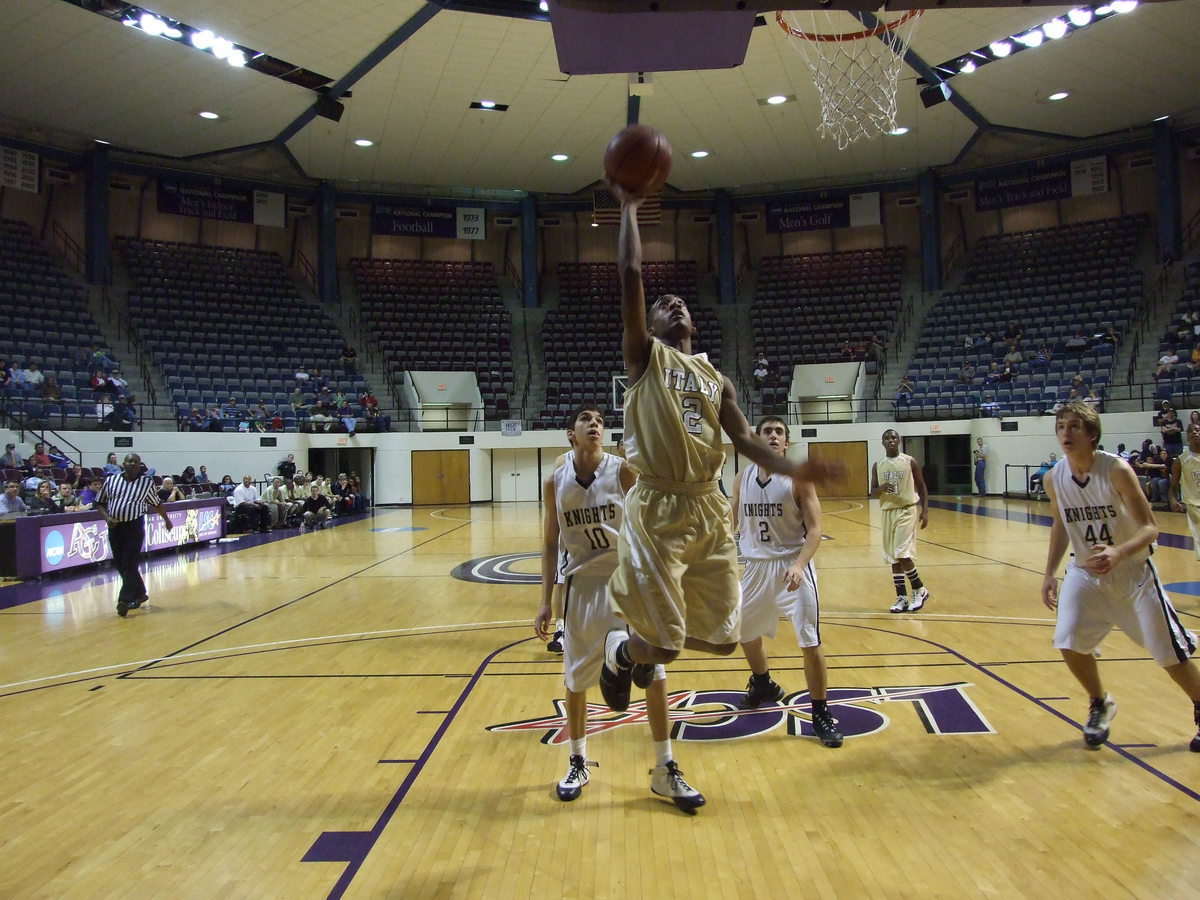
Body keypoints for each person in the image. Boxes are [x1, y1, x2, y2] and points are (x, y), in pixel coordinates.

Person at [596, 188, 842, 722]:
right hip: (658, 505)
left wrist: (797, 467)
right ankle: (622, 652)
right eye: (663, 305)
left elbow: (749, 443)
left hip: (706, 506)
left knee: (725, 642)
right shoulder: (643, 359)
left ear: (695, 325)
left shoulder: (716, 378)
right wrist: (631, 208)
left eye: (680, 302)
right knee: (662, 646)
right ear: (651, 327)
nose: (674, 304)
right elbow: (631, 273)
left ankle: (634, 648)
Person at [534, 406, 703, 811]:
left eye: (599, 421)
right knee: (576, 679)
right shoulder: (555, 481)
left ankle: (665, 767)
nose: (595, 425)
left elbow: (649, 523)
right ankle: (577, 761)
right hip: (581, 587)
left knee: (655, 674)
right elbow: (550, 543)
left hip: (626, 580)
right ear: (570, 434)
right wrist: (544, 600)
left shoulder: (623, 471)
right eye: (585, 420)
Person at [1041, 402, 1200, 751]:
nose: (1066, 433)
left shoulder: (1115, 470)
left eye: (1074, 427)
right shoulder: (1053, 478)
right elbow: (1060, 525)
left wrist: (1119, 552)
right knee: (1068, 640)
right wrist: (1049, 572)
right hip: (1085, 572)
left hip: (1133, 572)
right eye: (1061, 427)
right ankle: (1100, 703)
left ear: (1092, 434)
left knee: (1169, 654)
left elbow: (1150, 528)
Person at [730, 416, 842, 747]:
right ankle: (762, 681)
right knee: (743, 632)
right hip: (755, 566)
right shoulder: (742, 478)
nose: (774, 436)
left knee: (809, 641)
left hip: (793, 567)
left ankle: (821, 711)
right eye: (767, 432)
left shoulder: (797, 480)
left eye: (780, 432)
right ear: (758, 442)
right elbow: (730, 519)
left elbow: (816, 529)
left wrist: (799, 564)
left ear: (786, 443)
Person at [96, 453, 172, 617]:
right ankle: (141, 592)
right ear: (123, 464)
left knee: (130, 561)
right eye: (129, 461)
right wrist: (107, 518)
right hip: (115, 526)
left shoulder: (146, 483)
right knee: (120, 563)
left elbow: (156, 503)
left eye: (136, 462)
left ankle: (124, 600)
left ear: (140, 465)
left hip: (134, 526)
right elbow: (99, 502)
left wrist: (166, 519)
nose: (132, 464)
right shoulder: (111, 480)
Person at [871, 429, 931, 613]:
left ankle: (920, 589)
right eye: (886, 438)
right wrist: (881, 487)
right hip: (888, 512)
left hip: (906, 510)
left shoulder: (909, 461)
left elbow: (921, 486)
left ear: (899, 441)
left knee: (902, 553)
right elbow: (872, 491)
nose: (890, 440)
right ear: (882, 442)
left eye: (893, 437)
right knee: (893, 557)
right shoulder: (878, 465)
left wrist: (925, 510)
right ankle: (902, 597)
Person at [1171, 423, 1200, 558]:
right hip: (1195, 508)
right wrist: (1173, 500)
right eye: (1191, 431)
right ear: (1187, 436)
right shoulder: (1181, 460)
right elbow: (1173, 486)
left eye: (1198, 430)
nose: (1195, 433)